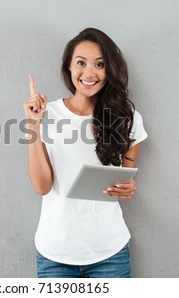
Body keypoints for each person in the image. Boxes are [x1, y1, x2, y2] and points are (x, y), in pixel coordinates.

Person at [23, 28, 148, 278]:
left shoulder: (128, 119)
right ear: (69, 67)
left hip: (109, 253)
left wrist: (128, 188)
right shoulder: (48, 115)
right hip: (55, 254)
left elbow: (124, 179)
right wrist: (33, 124)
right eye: (81, 63)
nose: (89, 73)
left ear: (109, 70)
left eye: (100, 65)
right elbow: (42, 187)